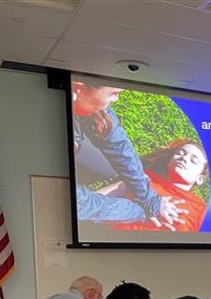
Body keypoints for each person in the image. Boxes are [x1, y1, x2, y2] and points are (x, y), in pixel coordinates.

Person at [72, 79, 181, 229]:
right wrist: (138, 212)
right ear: (79, 89)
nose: (116, 100)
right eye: (113, 93)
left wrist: (149, 199)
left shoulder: (92, 105)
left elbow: (119, 146)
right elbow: (78, 204)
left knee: (108, 169)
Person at [104, 139, 209, 232]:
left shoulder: (201, 210)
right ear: (169, 163)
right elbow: (95, 201)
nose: (184, 158)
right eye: (180, 153)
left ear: (200, 179)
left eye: (193, 160)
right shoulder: (143, 179)